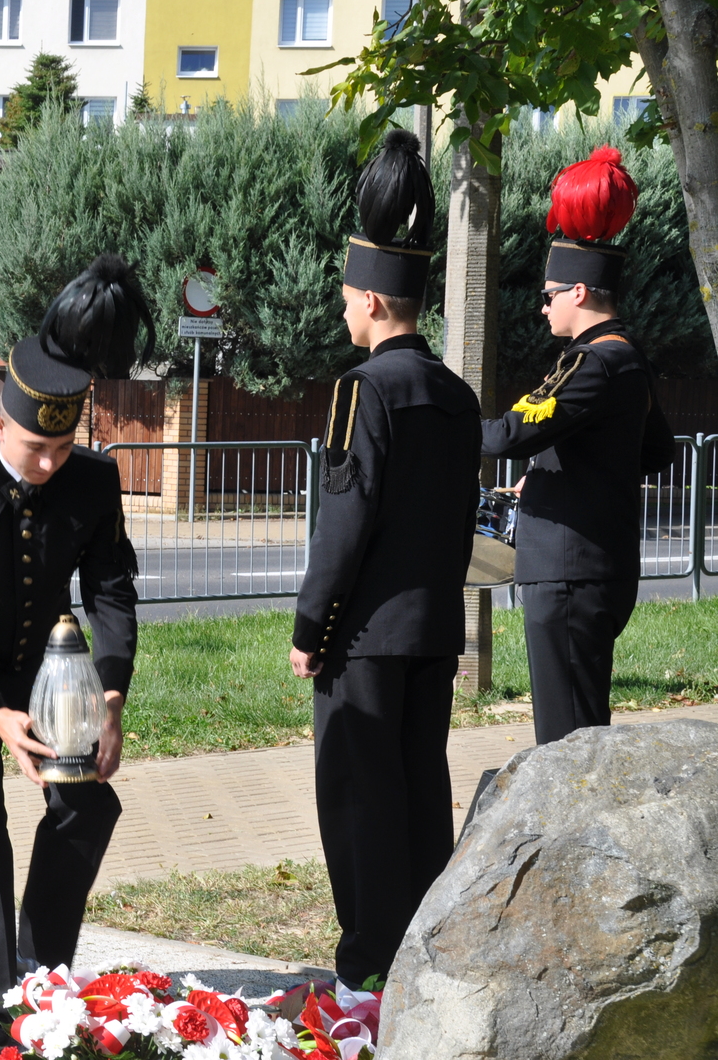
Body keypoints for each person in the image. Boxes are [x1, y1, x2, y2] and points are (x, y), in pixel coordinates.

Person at [0, 255, 147, 1056]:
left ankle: (40, 977)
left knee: (86, 803)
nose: (49, 464)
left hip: (50, 673)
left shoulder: (94, 482)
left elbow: (111, 592)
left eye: (63, 446)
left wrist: (109, 696)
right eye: (36, 447)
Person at [288, 130, 483, 991]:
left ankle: (366, 965)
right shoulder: (457, 396)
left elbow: (345, 522)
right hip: (433, 632)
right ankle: (419, 951)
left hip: (363, 637)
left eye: (345, 301)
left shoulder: (362, 391)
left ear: (371, 301)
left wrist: (310, 626)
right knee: (418, 792)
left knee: (357, 797)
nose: (342, 314)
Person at [482, 146, 677, 746]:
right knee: (579, 731)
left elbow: (511, 433)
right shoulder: (629, 357)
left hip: (568, 574)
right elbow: (655, 452)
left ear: (581, 291)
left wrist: (445, 427)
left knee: (567, 742)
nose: (542, 306)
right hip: (594, 570)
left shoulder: (590, 362)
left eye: (550, 295)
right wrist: (557, 472)